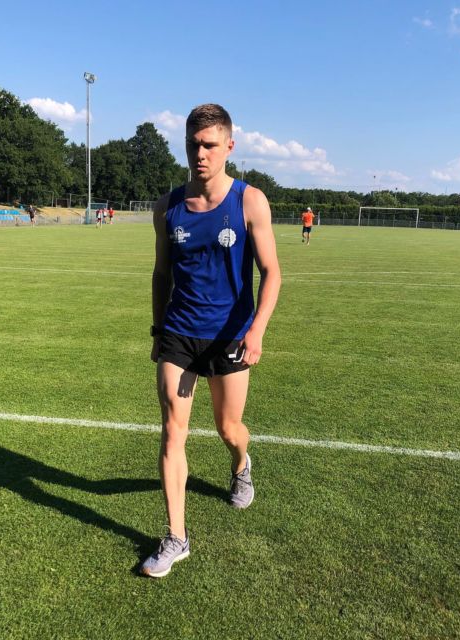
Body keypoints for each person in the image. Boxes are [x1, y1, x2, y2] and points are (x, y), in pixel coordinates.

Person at [142, 103, 281, 578]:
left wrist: (256, 330)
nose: (199, 154)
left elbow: (272, 273)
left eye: (209, 145)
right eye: (192, 145)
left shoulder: (249, 201)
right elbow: (161, 274)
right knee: (172, 430)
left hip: (230, 335)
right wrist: (158, 331)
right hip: (179, 333)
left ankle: (241, 464)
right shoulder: (167, 207)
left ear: (228, 147)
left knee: (228, 428)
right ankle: (176, 537)